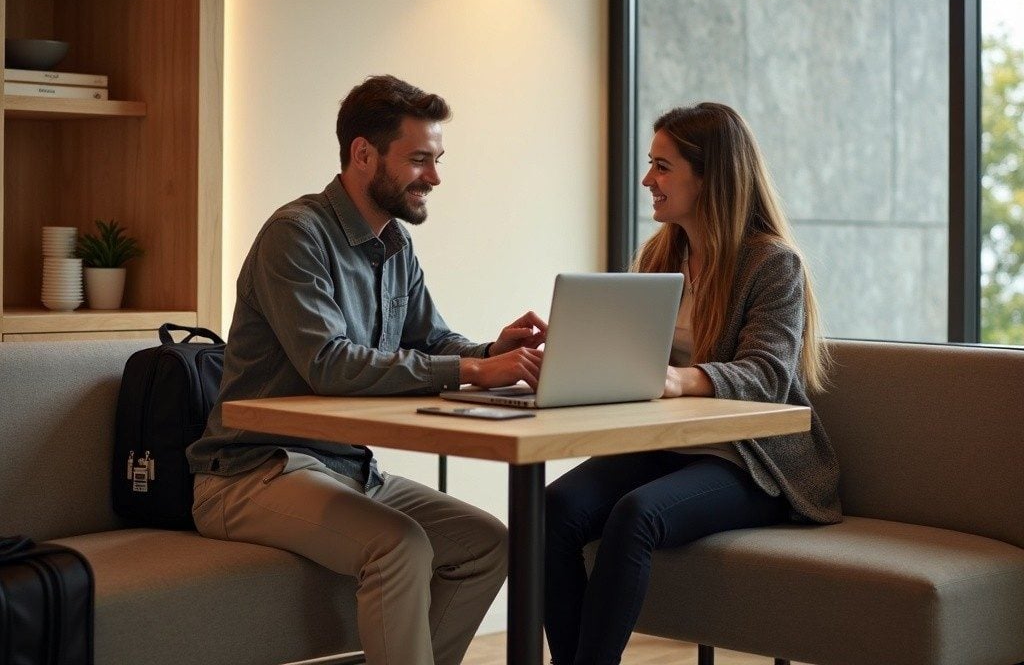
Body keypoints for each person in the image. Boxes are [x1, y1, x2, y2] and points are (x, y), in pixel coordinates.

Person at [186, 74, 546, 665]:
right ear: (363, 154)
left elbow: (432, 341)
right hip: (251, 471)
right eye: (420, 160)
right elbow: (330, 365)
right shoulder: (295, 236)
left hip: (347, 468)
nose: (434, 177)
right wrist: (473, 373)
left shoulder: (396, 244)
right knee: (399, 545)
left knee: (488, 544)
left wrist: (488, 352)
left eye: (437, 160)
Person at [543, 102, 842, 665]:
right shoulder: (661, 256)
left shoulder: (772, 264)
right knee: (552, 509)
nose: (646, 180)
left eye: (662, 166)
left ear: (710, 178)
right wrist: (572, 358)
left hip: (752, 461)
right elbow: (631, 363)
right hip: (668, 449)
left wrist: (680, 380)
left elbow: (769, 374)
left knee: (637, 514)